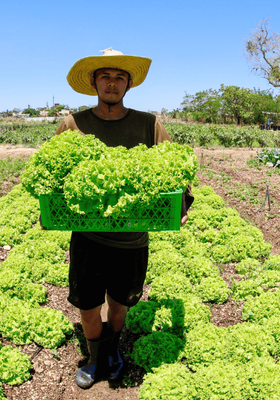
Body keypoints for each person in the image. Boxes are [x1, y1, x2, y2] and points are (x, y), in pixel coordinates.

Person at [55, 48, 191, 389]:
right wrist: (49, 204)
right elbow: (52, 170)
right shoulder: (74, 124)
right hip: (88, 235)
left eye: (119, 77)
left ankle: (112, 348)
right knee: (88, 305)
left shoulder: (148, 124)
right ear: (94, 82)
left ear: (128, 84)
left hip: (133, 238)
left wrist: (182, 205)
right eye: (105, 76)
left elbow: (177, 167)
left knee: (120, 304)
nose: (112, 83)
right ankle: (94, 358)